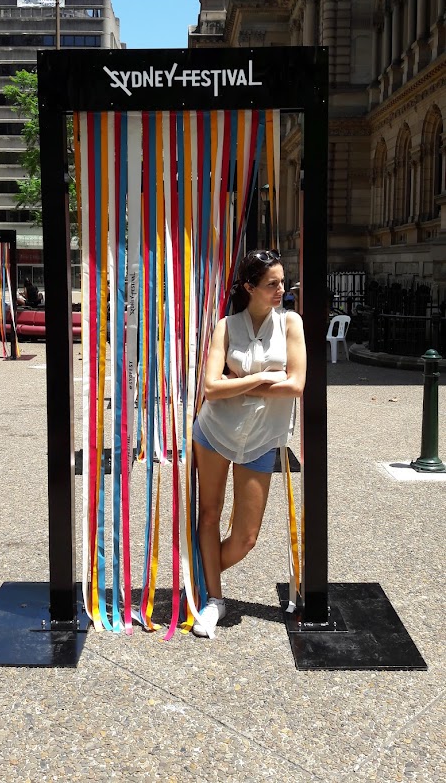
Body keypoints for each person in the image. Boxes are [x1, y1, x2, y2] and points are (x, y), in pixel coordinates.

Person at [192, 249, 306, 637]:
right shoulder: (226, 327)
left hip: (261, 439)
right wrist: (262, 379)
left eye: (282, 282)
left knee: (246, 537)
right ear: (249, 287)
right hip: (214, 432)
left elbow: (296, 384)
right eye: (272, 283)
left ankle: (198, 577)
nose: (281, 289)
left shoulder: (290, 323)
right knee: (209, 514)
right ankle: (214, 600)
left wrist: (236, 383)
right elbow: (210, 388)